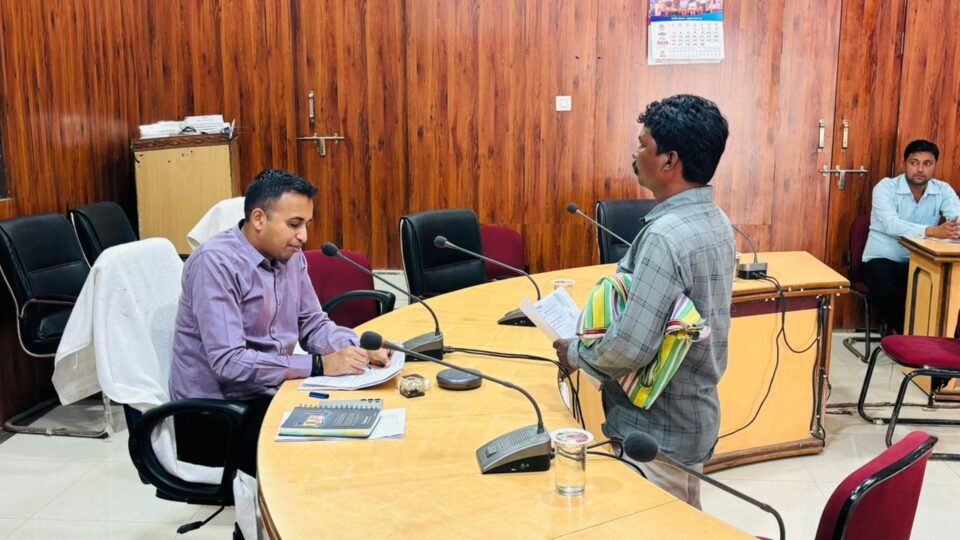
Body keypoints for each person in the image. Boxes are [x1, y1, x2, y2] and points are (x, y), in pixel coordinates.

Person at [553, 94, 734, 508]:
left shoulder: (664, 237)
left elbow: (631, 347)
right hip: (693, 414)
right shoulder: (717, 220)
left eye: (642, 144)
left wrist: (575, 353)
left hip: (656, 429)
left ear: (669, 161)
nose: (634, 154)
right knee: (684, 517)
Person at [169, 168, 389, 477]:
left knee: (368, 427)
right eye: (294, 224)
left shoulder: (291, 256)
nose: (304, 237)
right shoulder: (215, 264)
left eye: (307, 224)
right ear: (259, 219)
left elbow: (313, 324)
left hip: (268, 394)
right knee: (329, 461)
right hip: (218, 415)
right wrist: (319, 365)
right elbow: (229, 362)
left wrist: (358, 347)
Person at [862, 139, 960, 335]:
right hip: (883, 260)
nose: (920, 169)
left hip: (924, 262)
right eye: (914, 162)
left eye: (927, 163)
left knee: (945, 290)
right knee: (890, 293)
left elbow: (957, 219)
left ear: (935, 165)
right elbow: (891, 224)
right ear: (905, 163)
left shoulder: (943, 190)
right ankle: (910, 340)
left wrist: (953, 230)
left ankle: (940, 340)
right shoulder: (886, 187)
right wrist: (931, 231)